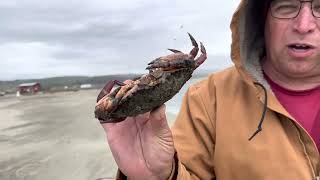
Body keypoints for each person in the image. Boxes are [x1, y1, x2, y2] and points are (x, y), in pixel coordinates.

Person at [101, 0, 320, 179]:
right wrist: (160, 176)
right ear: (261, 19)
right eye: (286, 6)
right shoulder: (208, 97)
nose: (303, 25)